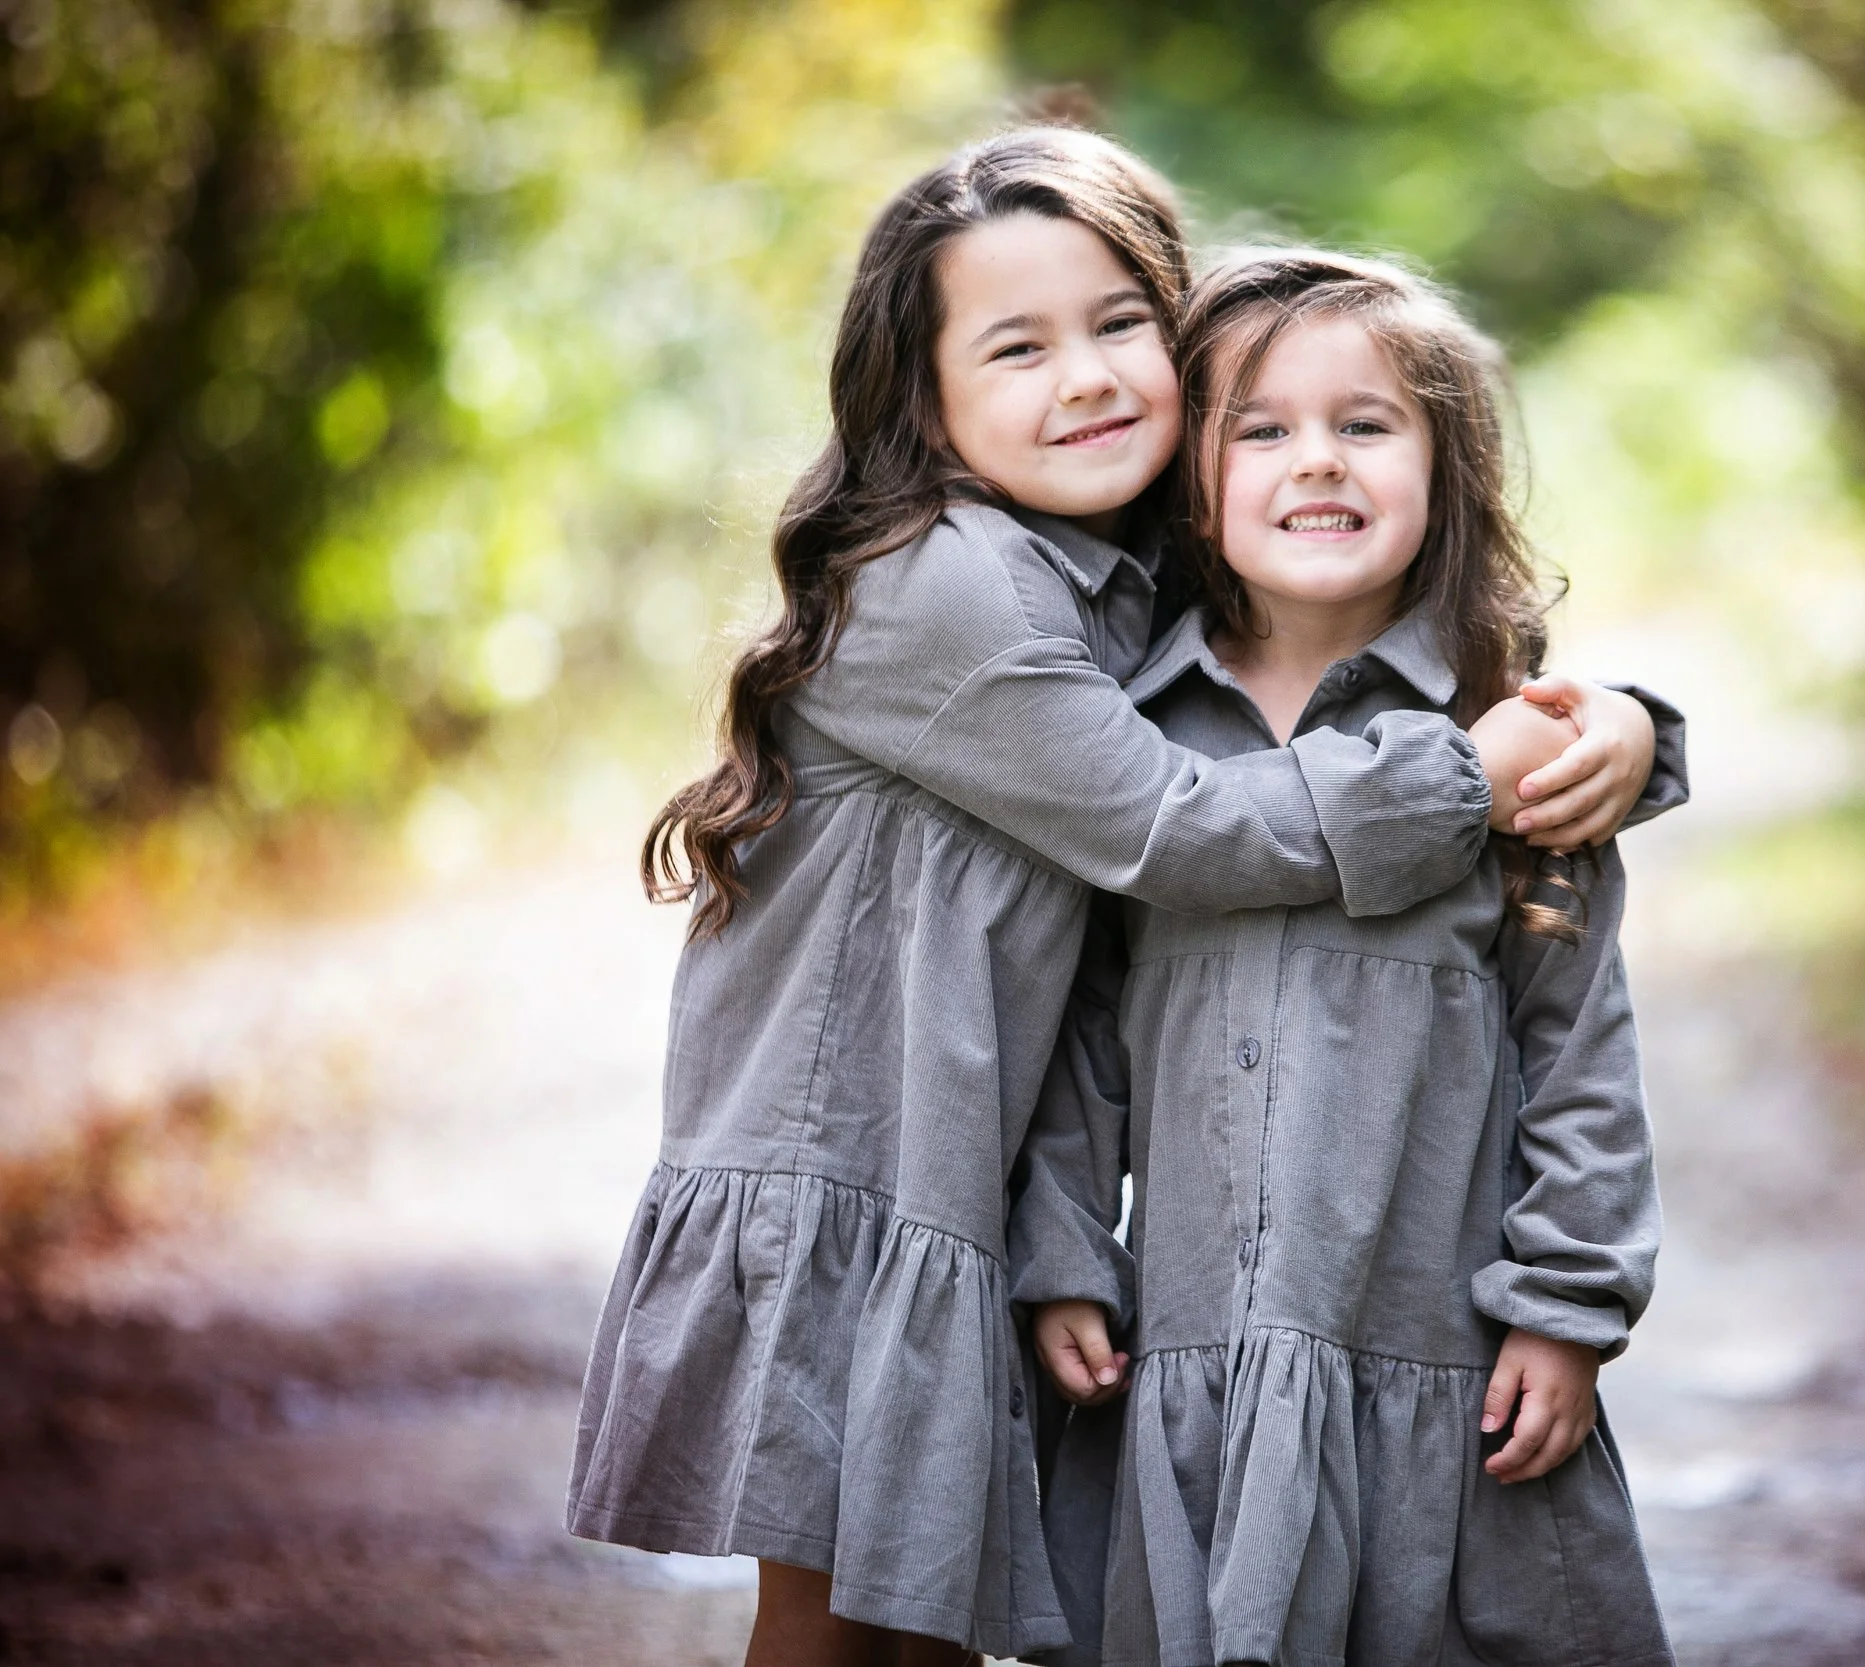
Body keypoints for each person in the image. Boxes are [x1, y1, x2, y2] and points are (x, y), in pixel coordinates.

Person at [563, 130, 1676, 1667]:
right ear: (923, 400)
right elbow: (1180, 830)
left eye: (1117, 326)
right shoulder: (945, 581)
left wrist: (1617, 717)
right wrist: (1468, 783)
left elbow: (1345, 623)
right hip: (860, 1164)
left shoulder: (1125, 576)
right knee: (837, 1622)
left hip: (965, 1163)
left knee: (926, 1613)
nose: (1083, 377)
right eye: (1015, 346)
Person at [1017, 248, 1680, 1667]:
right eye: (1259, 428)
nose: (1315, 461)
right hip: (1193, 1350)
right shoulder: (1131, 741)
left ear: (1446, 464)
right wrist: (1065, 1248)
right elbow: (1077, 1028)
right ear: (1189, 477)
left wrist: (1567, 1309)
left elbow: (1579, 1053)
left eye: (1365, 423)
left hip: (1441, 1366)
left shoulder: (1520, 746)